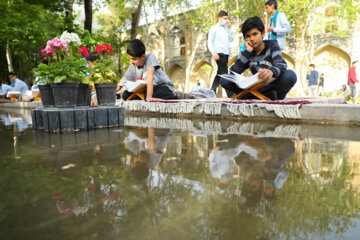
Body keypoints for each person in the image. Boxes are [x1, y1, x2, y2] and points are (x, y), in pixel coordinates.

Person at [220, 16, 297, 100]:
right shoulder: (247, 52)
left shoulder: (272, 45)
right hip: (255, 87)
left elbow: (281, 64)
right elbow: (233, 72)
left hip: (272, 86)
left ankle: (249, 96)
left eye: (255, 34)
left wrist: (271, 71)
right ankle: (261, 95)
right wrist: (247, 51)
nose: (252, 38)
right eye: (248, 36)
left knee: (290, 75)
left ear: (263, 33)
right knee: (224, 79)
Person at [207, 10, 234, 97]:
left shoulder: (226, 29)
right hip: (219, 54)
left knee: (220, 73)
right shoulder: (213, 28)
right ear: (219, 18)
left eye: (227, 19)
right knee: (225, 73)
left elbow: (231, 39)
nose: (226, 20)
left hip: (226, 54)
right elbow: (209, 42)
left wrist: (229, 28)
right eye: (224, 19)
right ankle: (230, 94)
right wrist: (213, 53)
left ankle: (211, 91)